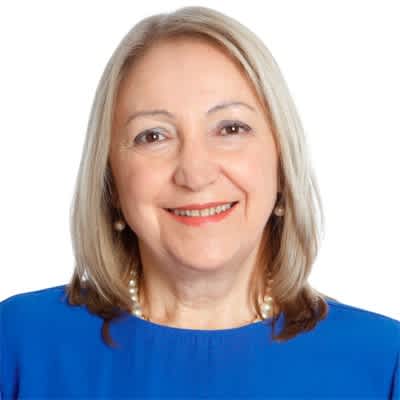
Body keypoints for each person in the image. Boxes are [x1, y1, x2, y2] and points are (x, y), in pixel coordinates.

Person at [1, 5, 398, 399]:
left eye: (230, 128)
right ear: (111, 181)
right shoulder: (20, 344)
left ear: (281, 164)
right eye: (153, 136)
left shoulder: (382, 364)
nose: (194, 173)